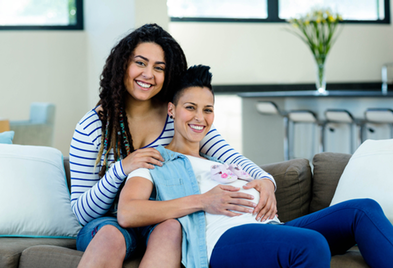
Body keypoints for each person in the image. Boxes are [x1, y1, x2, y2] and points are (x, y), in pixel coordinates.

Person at [119, 64, 393, 268]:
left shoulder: (219, 160)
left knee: (362, 209)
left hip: (273, 229)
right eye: (190, 107)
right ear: (172, 110)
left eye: (208, 109)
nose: (199, 117)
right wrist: (203, 201)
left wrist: (265, 182)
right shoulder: (156, 160)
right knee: (312, 245)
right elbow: (128, 212)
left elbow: (260, 179)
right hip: (222, 240)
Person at [69, 24, 276, 267]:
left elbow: (230, 157)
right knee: (111, 235)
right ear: (123, 64)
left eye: (159, 68)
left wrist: (266, 181)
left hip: (162, 216)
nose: (148, 74)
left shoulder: (178, 116)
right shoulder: (93, 126)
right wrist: (121, 169)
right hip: (108, 224)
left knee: (172, 229)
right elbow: (82, 212)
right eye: (140, 63)